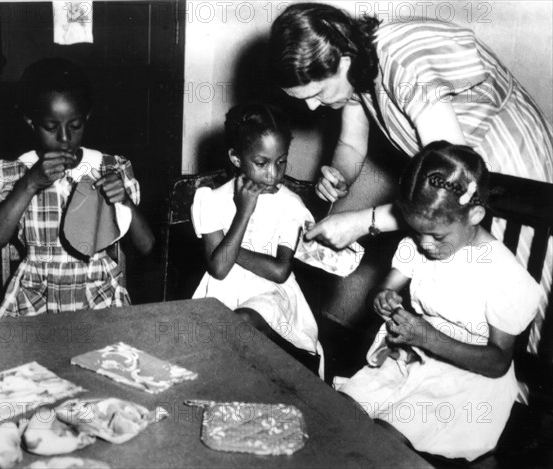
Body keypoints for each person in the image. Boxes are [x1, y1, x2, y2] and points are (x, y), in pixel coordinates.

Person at [268, 2, 552, 347]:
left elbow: (447, 187)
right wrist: (339, 172)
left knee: (523, 304)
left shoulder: (403, 67)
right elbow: (352, 145)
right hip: (456, 182)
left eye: (316, 94)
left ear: (342, 60)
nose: (312, 107)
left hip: (510, 166)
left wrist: (363, 222)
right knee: (472, 305)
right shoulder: (356, 67)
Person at [334, 141, 541, 461]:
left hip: (466, 382)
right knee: (339, 417)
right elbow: (384, 288)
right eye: (418, 232)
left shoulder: (504, 275)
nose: (425, 245)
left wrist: (427, 336)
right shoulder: (419, 243)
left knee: (384, 442)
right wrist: (383, 298)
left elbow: (498, 361)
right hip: (410, 358)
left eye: (437, 236)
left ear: (474, 215)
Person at [0, 58, 154, 318]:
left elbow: (146, 245)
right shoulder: (17, 171)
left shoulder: (110, 167)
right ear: (31, 121)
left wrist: (125, 201)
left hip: (98, 295)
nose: (65, 138)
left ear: (87, 117)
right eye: (51, 127)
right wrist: (30, 184)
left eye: (75, 126)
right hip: (35, 297)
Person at [191, 102, 323, 370]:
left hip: (272, 296)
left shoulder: (290, 203)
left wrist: (225, 247)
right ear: (236, 158)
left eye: (281, 161)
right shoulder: (211, 200)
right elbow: (218, 270)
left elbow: (278, 271)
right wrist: (244, 213)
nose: (273, 174)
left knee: (242, 322)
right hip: (220, 294)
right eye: (262, 163)